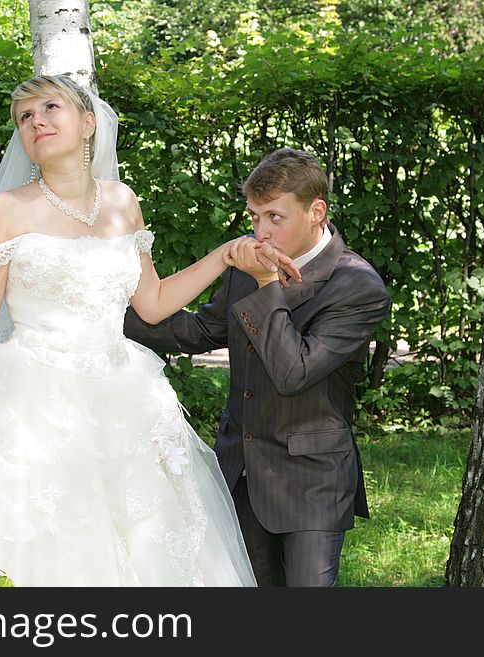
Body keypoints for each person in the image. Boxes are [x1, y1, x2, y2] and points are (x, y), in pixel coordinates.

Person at [0, 75, 303, 586]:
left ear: (88, 124)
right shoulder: (6, 211)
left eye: (49, 107)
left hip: (122, 392)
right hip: (33, 400)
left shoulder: (121, 202)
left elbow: (151, 305)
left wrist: (224, 256)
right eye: (24, 117)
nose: (36, 120)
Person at [124, 148, 391, 586]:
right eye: (253, 217)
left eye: (274, 217)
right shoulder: (248, 269)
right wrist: (105, 317)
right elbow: (202, 331)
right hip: (241, 469)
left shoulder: (357, 285)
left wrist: (266, 283)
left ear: (316, 212)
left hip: (312, 480)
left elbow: (294, 372)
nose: (260, 233)